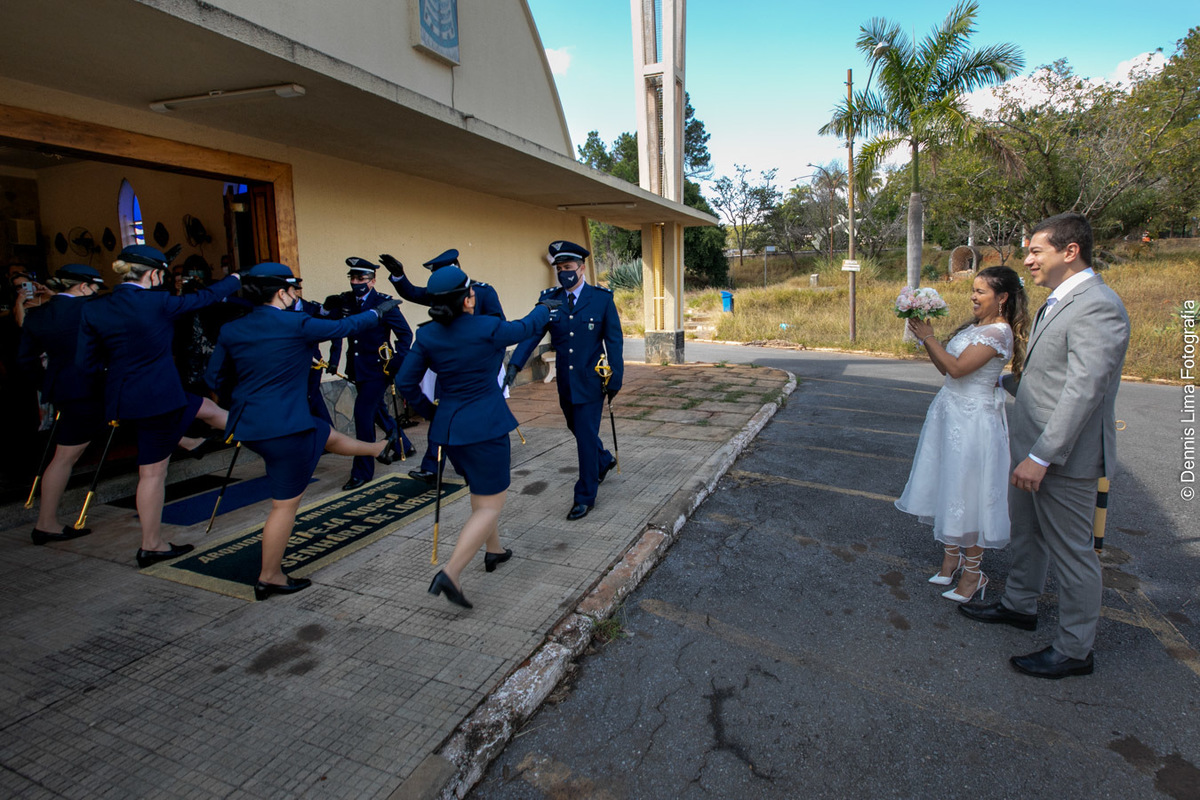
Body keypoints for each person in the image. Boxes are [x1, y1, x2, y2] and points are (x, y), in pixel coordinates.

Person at [959, 213, 1130, 680]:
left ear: (1070, 251)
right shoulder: (1058, 301)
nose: (1028, 259)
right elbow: (1047, 378)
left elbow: (1084, 390)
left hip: (1061, 457)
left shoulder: (1098, 305)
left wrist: (1041, 455)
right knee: (1027, 533)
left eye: (1036, 250)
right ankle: (1019, 605)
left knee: (1074, 552)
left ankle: (1076, 649)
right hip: (1031, 447)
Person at [206, 263, 407, 600]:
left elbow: (215, 379)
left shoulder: (232, 329)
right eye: (292, 290)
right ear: (283, 292)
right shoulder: (295, 324)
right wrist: (379, 311)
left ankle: (376, 449)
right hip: (284, 428)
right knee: (283, 507)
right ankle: (270, 576)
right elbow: (347, 326)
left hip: (249, 426)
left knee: (320, 430)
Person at [395, 265, 557, 609]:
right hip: (485, 427)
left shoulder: (427, 335)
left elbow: (405, 385)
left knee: (481, 492)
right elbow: (526, 327)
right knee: (491, 503)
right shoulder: (487, 327)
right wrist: (545, 304)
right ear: (468, 299)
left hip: (451, 430)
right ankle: (450, 574)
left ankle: (493, 550)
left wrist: (433, 412)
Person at [77, 245, 241, 568]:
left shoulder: (95, 308)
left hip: (128, 398)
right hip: (159, 399)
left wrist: (120, 377)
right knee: (152, 473)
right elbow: (203, 299)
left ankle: (227, 434)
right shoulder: (158, 302)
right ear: (153, 274)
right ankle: (151, 545)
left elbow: (86, 364)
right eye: (161, 274)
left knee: (203, 408)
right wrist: (234, 279)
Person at [896, 266, 1029, 603]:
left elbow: (957, 369)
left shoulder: (998, 333)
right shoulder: (976, 327)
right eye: (973, 289)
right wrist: (927, 338)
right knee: (949, 483)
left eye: (981, 292)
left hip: (974, 422)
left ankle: (974, 574)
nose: (973, 296)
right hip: (950, 412)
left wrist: (928, 336)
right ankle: (950, 559)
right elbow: (945, 367)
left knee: (968, 491)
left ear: (1002, 298)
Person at [506, 241, 622, 521]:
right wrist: (514, 365)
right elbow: (532, 333)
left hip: (592, 381)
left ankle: (585, 495)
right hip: (566, 382)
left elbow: (614, 341)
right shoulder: (550, 300)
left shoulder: (601, 299)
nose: (564, 273)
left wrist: (614, 380)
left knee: (583, 437)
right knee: (577, 428)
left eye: (568, 268)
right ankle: (603, 461)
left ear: (581, 268)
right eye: (559, 269)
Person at [377, 249, 506, 483]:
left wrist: (492, 368)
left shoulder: (484, 292)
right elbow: (414, 293)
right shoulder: (444, 292)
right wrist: (399, 276)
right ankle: (431, 466)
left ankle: (478, 462)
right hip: (451, 369)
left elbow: (500, 332)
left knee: (478, 419)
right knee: (444, 414)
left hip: (479, 369)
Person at [17, 264, 108, 544]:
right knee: (65, 456)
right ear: (83, 287)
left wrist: (48, 383)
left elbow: (25, 360)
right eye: (93, 288)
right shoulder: (89, 308)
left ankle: (189, 440)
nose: (94, 293)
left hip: (64, 389)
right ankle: (46, 523)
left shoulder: (37, 314)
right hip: (91, 388)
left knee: (65, 454)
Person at [328, 259, 415, 491]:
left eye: (361, 279)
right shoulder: (347, 301)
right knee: (377, 411)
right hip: (357, 368)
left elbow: (406, 335)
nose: (356, 283)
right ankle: (403, 445)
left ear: (372, 281)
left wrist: (397, 360)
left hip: (379, 369)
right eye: (353, 278)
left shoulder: (383, 304)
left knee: (363, 415)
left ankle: (363, 471)